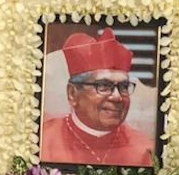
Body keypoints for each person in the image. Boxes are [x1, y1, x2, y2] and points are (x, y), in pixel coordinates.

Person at [41, 27, 155, 167]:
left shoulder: (145, 150)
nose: (117, 97)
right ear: (73, 94)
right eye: (103, 86)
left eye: (124, 87)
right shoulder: (42, 141)